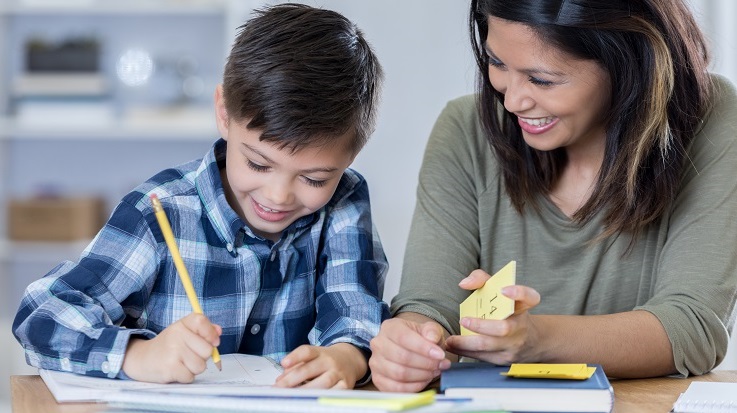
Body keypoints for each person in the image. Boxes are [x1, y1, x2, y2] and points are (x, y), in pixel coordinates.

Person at [13, 3, 389, 389]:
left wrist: (348, 355)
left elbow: (354, 308)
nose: (278, 196)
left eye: (313, 179)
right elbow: (42, 316)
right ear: (224, 113)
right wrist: (139, 356)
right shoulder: (160, 211)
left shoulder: (344, 199)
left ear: (350, 158)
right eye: (259, 165)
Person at [369, 0, 737, 392]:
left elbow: (693, 327)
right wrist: (411, 343)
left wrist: (534, 339)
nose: (512, 101)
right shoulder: (464, 129)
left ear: (629, 65)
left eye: (541, 80)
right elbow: (430, 306)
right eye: (497, 62)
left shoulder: (710, 116)